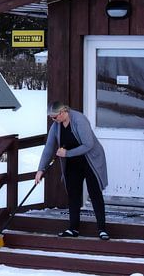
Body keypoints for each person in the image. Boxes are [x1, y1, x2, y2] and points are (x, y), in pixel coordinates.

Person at [35, 101, 109, 240]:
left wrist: (66, 154)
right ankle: (73, 228)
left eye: (55, 117)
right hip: (73, 162)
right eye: (51, 117)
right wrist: (40, 170)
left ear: (63, 112)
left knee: (94, 193)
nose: (53, 120)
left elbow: (89, 144)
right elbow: (49, 147)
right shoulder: (56, 126)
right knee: (73, 194)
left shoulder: (79, 120)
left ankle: (102, 229)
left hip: (90, 160)